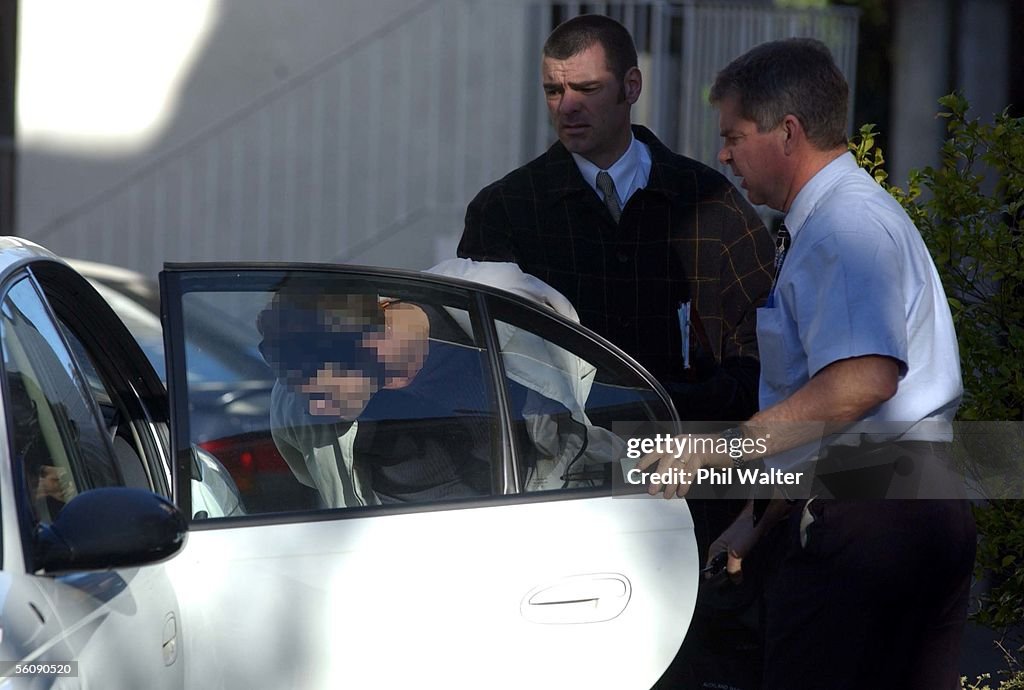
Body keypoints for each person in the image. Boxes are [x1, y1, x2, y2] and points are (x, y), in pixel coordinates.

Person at [638, 38, 975, 690]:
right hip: (908, 505)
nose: (723, 154)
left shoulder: (842, 226)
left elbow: (861, 381)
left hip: (871, 527)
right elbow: (839, 421)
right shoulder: (843, 218)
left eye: (734, 135)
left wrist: (714, 453)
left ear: (787, 132)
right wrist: (753, 523)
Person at [458, 14, 775, 424]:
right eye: (554, 91)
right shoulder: (505, 209)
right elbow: (481, 359)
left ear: (631, 86)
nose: (567, 106)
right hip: (559, 472)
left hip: (690, 464)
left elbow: (761, 347)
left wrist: (691, 415)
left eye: (588, 88)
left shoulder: (709, 201)